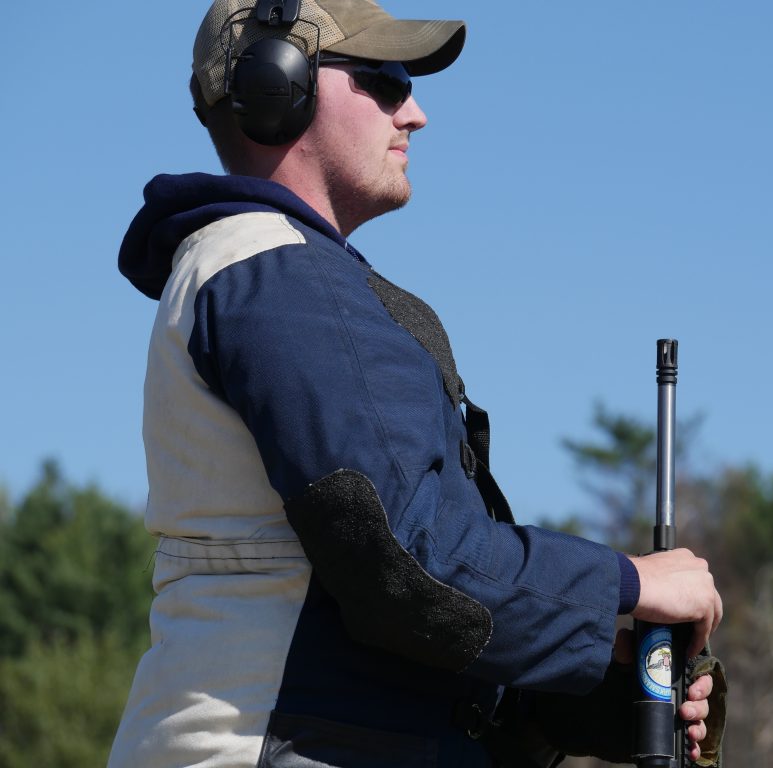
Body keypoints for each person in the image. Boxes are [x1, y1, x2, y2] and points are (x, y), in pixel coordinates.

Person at [110, 1, 726, 766]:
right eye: (387, 80)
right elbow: (413, 561)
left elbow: (403, 608)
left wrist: (610, 687)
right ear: (279, 86)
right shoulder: (282, 277)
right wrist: (626, 584)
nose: (417, 112)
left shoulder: (273, 277)